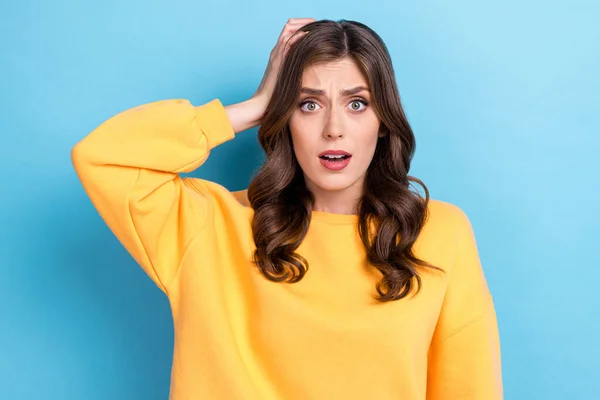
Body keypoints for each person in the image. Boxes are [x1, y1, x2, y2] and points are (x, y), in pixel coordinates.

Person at [71, 18, 503, 400]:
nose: (333, 129)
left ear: (384, 120)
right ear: (286, 117)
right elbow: (102, 157)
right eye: (308, 104)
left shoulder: (440, 232)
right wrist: (256, 106)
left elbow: (469, 389)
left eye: (357, 104)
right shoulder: (210, 224)